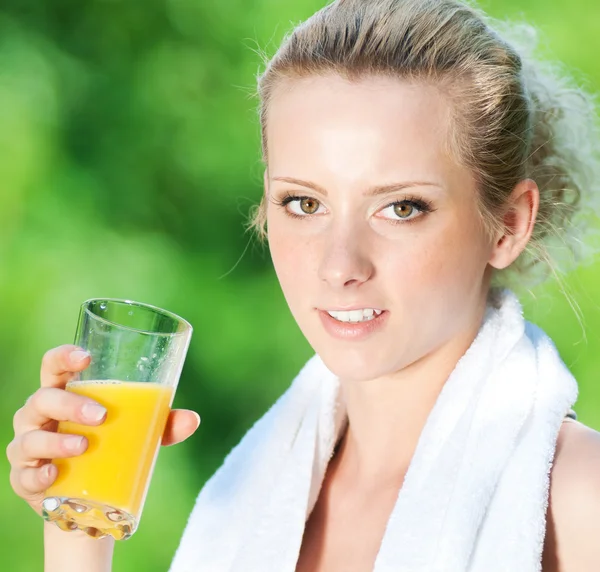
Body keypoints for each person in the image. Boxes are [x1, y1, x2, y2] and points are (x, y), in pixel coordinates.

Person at [7, 0, 600, 570]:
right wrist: (77, 519)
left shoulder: (577, 499)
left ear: (509, 226)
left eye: (401, 208)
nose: (339, 265)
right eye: (304, 202)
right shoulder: (253, 492)